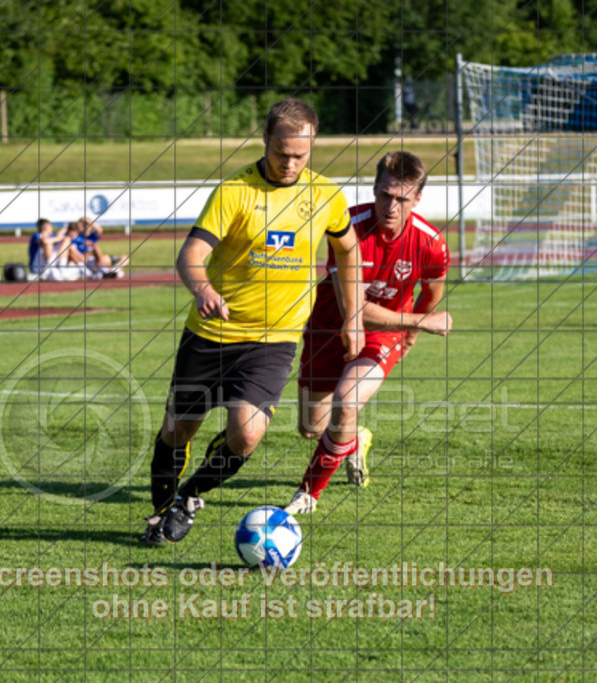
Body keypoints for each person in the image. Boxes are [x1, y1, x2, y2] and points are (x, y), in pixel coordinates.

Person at [141, 97, 365, 546]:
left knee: (246, 434)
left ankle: (188, 499)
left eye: (301, 155)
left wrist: (353, 317)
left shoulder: (325, 195)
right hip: (211, 334)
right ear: (265, 140)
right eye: (281, 152)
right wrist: (203, 289)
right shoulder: (234, 192)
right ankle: (160, 512)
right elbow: (192, 255)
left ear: (313, 145)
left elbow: (348, 252)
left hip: (273, 340)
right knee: (177, 429)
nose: (290, 163)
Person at [285, 150, 453, 515]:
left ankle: (307, 495)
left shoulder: (431, 243)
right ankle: (354, 438)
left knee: (347, 402)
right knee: (312, 429)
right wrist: (418, 323)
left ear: (418, 199)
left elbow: (432, 291)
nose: (390, 206)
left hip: (384, 332)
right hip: (330, 325)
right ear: (374, 189)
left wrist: (409, 334)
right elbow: (355, 310)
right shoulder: (347, 227)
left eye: (402, 198)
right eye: (384, 195)